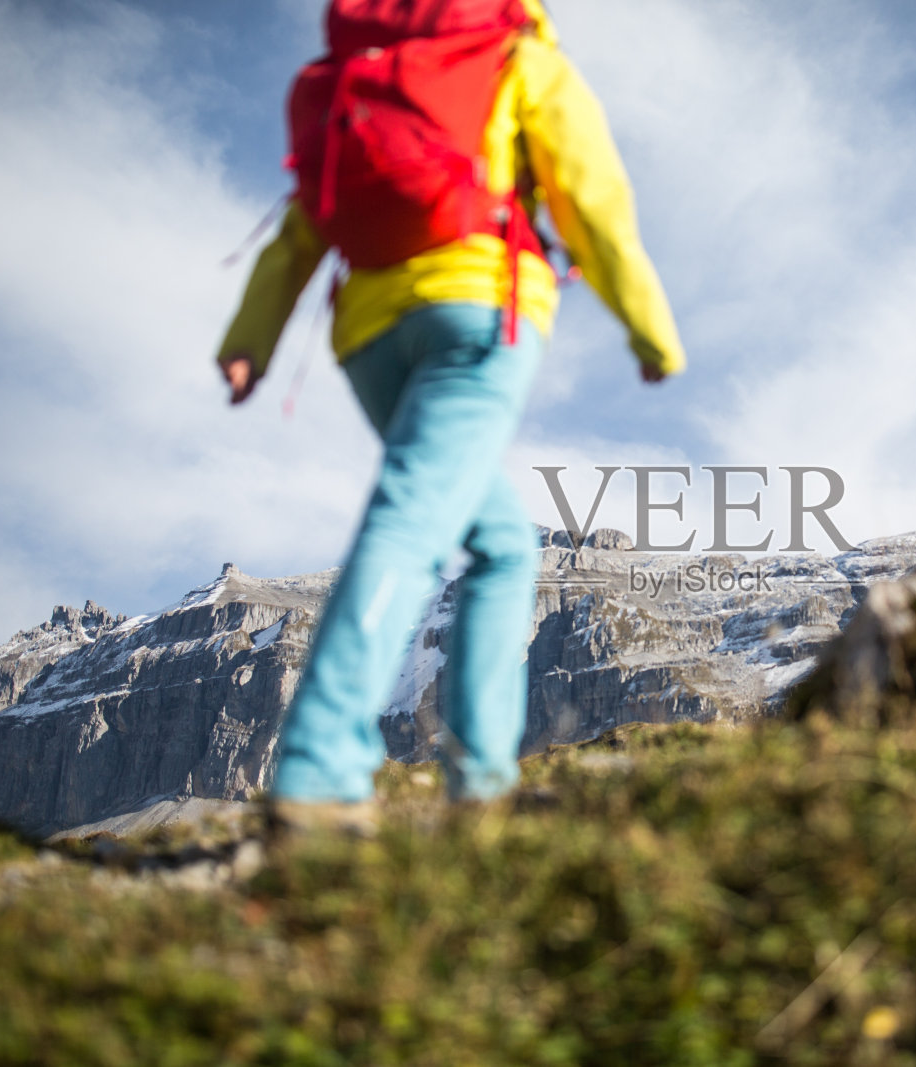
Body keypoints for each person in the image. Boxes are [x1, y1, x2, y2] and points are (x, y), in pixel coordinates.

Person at [215, 0, 685, 829]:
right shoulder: (517, 56)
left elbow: (303, 222)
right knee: (411, 515)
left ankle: (483, 781)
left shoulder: (361, 76)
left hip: (369, 338)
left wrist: (249, 338)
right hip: (476, 309)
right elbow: (591, 196)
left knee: (502, 545)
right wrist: (649, 327)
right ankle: (319, 772)